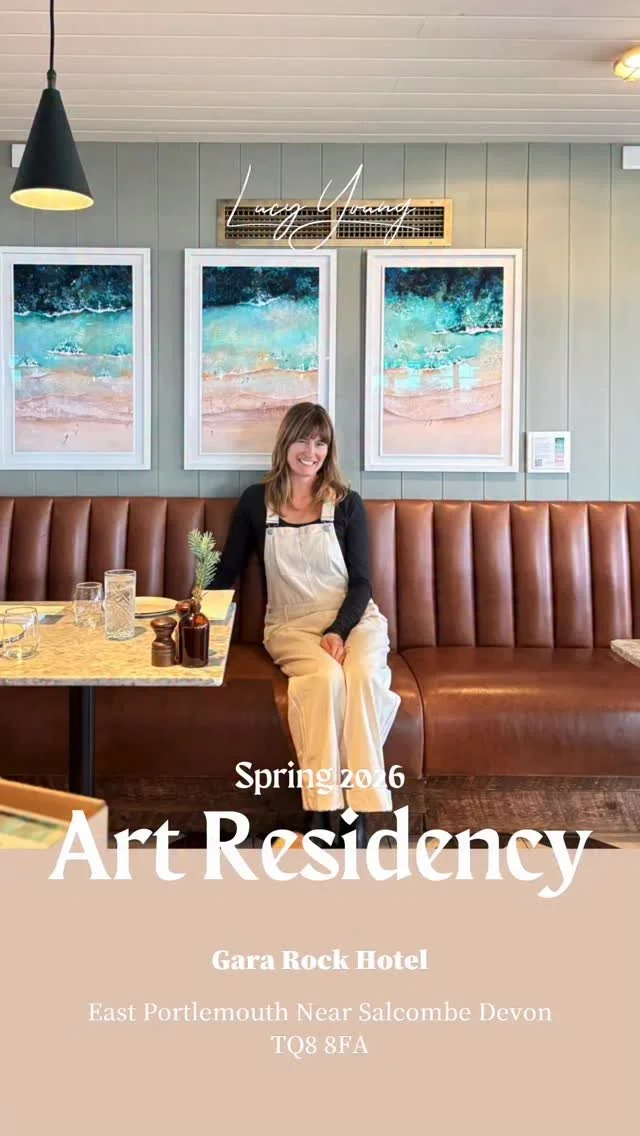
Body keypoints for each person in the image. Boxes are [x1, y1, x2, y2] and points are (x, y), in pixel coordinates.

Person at [210, 402, 401, 846]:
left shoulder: (347, 504)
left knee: (362, 676)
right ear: (285, 443)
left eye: (320, 443)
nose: (311, 451)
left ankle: (355, 814)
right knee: (323, 679)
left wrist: (339, 630)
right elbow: (228, 570)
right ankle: (319, 810)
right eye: (302, 439)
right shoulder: (256, 501)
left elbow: (362, 583)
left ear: (328, 450)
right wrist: (199, 609)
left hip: (354, 621)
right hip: (291, 625)